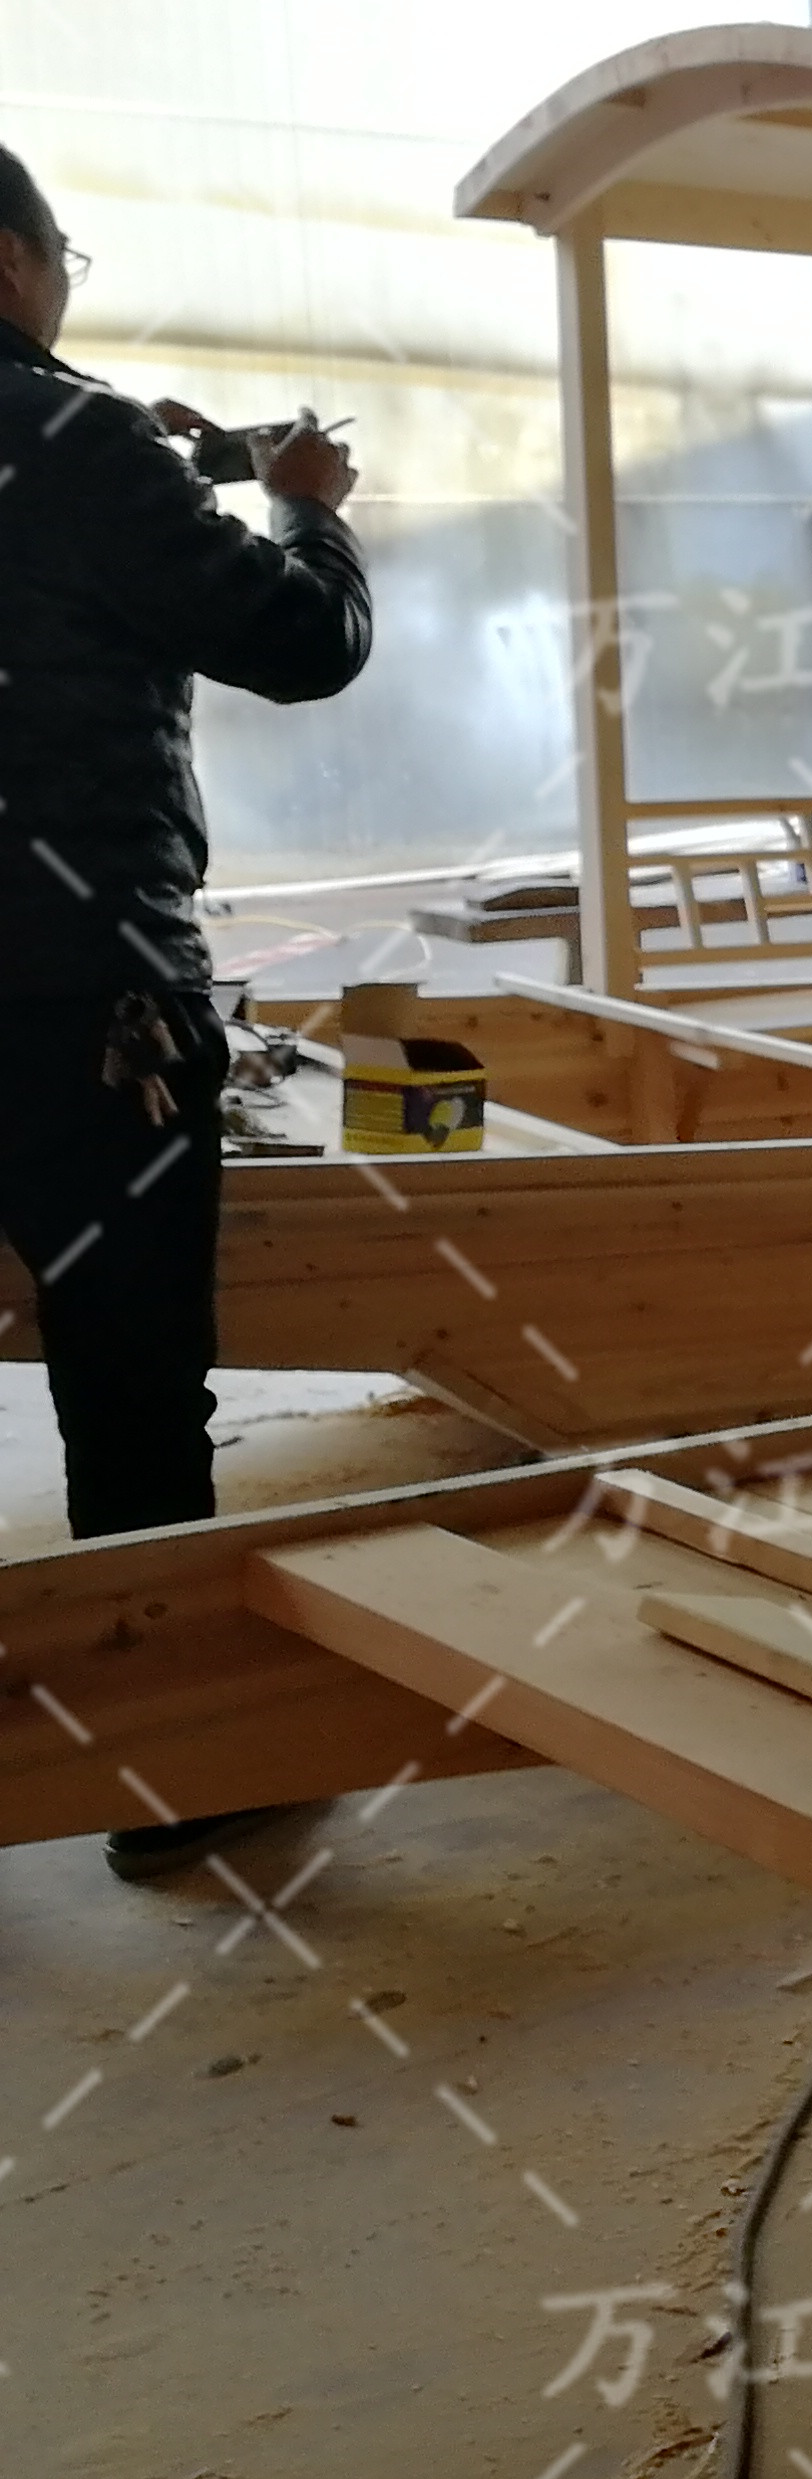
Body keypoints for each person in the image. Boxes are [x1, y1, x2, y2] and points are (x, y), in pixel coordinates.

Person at [0, 142, 374, 1876]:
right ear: (12, 262)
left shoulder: (83, 440)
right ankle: (168, 1785)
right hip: (79, 995)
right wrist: (302, 500)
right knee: (130, 1383)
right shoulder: (75, 444)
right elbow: (300, 642)